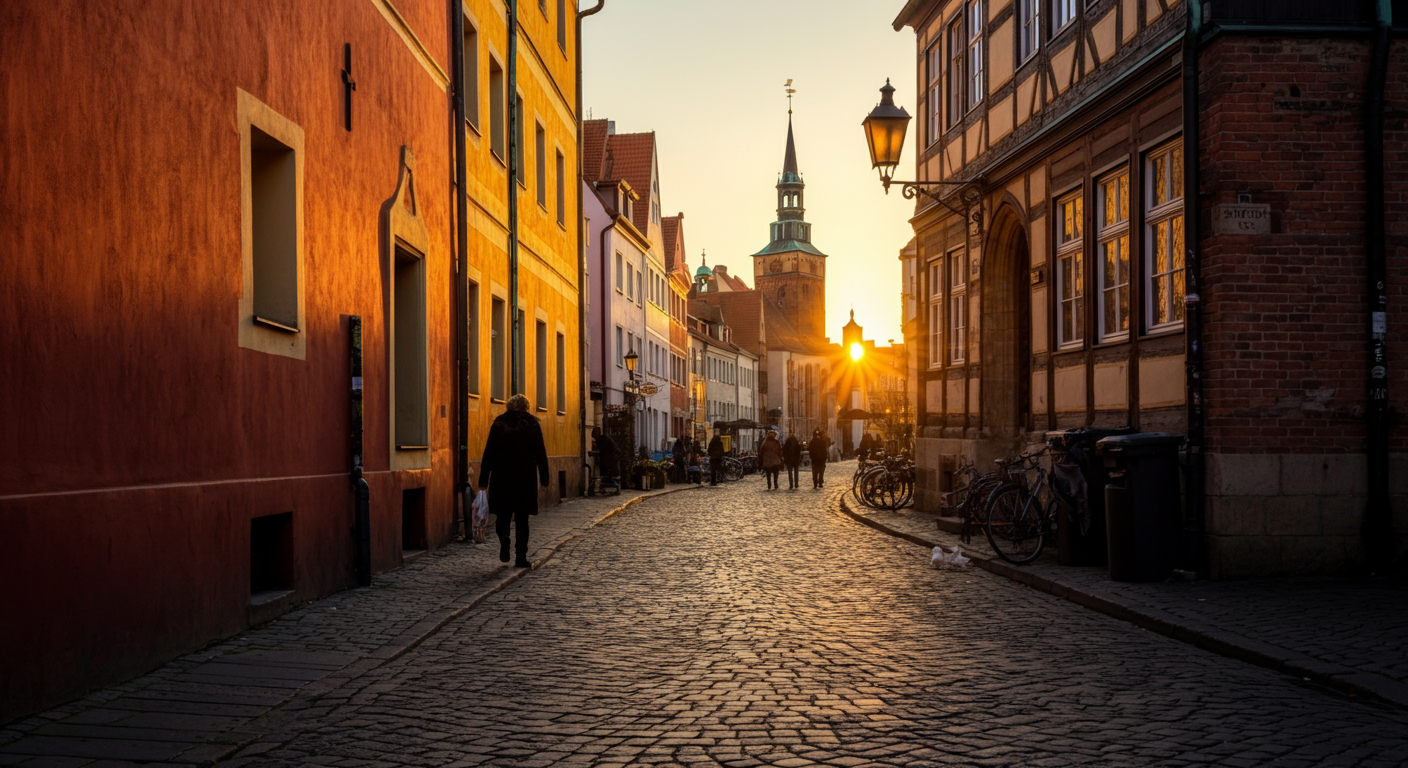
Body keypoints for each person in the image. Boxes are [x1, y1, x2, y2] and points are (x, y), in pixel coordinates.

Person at [479, 394, 550, 568]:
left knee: (502, 516)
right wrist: (545, 477)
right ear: (526, 407)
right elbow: (540, 451)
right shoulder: (532, 424)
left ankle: (504, 542)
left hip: (501, 477)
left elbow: (489, 452)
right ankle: (520, 557)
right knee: (522, 520)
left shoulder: (499, 423)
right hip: (524, 479)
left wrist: (483, 480)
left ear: (509, 406)